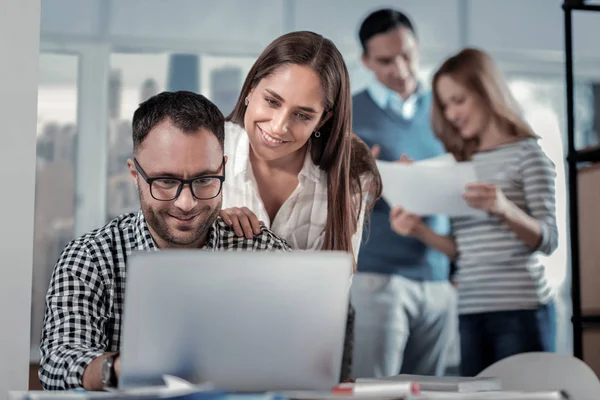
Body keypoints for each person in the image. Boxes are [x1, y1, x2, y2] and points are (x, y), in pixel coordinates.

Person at [39, 91, 290, 391]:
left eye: (204, 180)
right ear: (135, 174)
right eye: (166, 182)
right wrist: (123, 367)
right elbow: (59, 365)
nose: (186, 203)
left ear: (222, 169)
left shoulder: (263, 254)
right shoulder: (90, 259)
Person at [217, 31, 382, 381]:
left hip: (307, 345)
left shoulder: (349, 175)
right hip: (215, 336)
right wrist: (210, 229)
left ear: (322, 120)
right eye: (272, 101)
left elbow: (333, 292)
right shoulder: (207, 149)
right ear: (250, 89)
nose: (278, 127)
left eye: (303, 116)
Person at [390, 48, 558, 376]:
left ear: (486, 92)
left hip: (520, 308)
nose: (452, 113)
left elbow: (549, 240)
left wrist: (504, 208)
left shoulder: (528, 155)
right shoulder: (460, 163)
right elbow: (461, 250)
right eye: (445, 105)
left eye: (459, 100)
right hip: (469, 309)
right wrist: (420, 231)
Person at [350, 9, 456, 378]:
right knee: (374, 389)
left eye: (407, 54)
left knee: (432, 390)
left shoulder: (447, 110)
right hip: (378, 276)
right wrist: (363, 184)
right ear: (365, 61)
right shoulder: (348, 115)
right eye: (385, 60)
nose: (400, 67)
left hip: (438, 277)